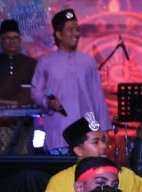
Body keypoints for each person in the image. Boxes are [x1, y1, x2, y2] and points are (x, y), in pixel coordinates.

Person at [30, 8, 111, 154]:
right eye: (70, 29)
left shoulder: (88, 61)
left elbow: (97, 97)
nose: (76, 33)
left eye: (77, 29)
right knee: (60, 172)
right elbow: (35, 90)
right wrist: (47, 102)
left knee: (85, 173)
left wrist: (104, 128)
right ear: (58, 34)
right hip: (59, 128)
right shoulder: (46, 62)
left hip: (88, 130)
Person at [0, 18, 38, 155]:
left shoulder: (30, 64)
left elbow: (35, 93)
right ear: (1, 40)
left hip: (24, 121)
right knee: (0, 159)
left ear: (20, 40)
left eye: (15, 38)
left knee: (23, 157)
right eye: (7, 38)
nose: (12, 41)